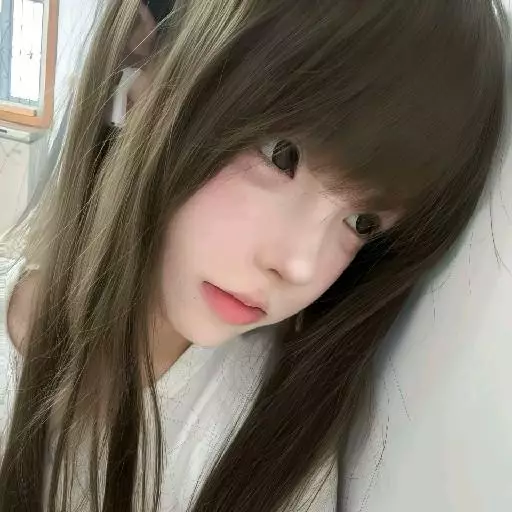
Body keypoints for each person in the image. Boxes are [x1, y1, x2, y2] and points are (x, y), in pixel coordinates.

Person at [0, 0, 508, 510]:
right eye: (281, 154)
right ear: (143, 69)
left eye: (363, 223)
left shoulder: (275, 439)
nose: (300, 265)